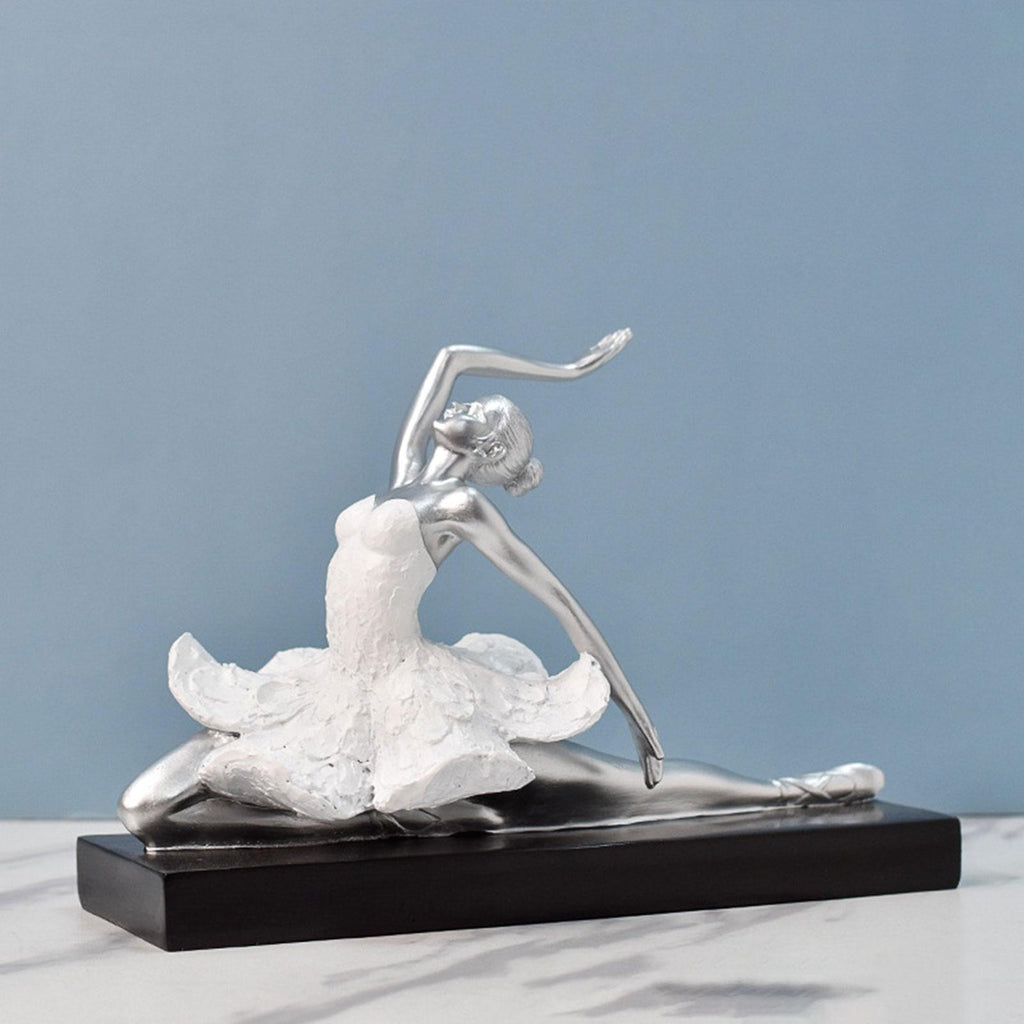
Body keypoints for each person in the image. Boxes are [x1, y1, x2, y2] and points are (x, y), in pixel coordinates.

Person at [120, 331, 881, 849]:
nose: (457, 405)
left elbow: (560, 601)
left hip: (418, 699)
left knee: (609, 786)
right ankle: (382, 817)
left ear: (484, 447)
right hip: (331, 691)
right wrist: (569, 371)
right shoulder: (403, 473)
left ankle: (796, 793)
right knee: (146, 811)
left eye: (475, 412)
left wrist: (638, 716)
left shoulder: (460, 508)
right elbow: (452, 356)